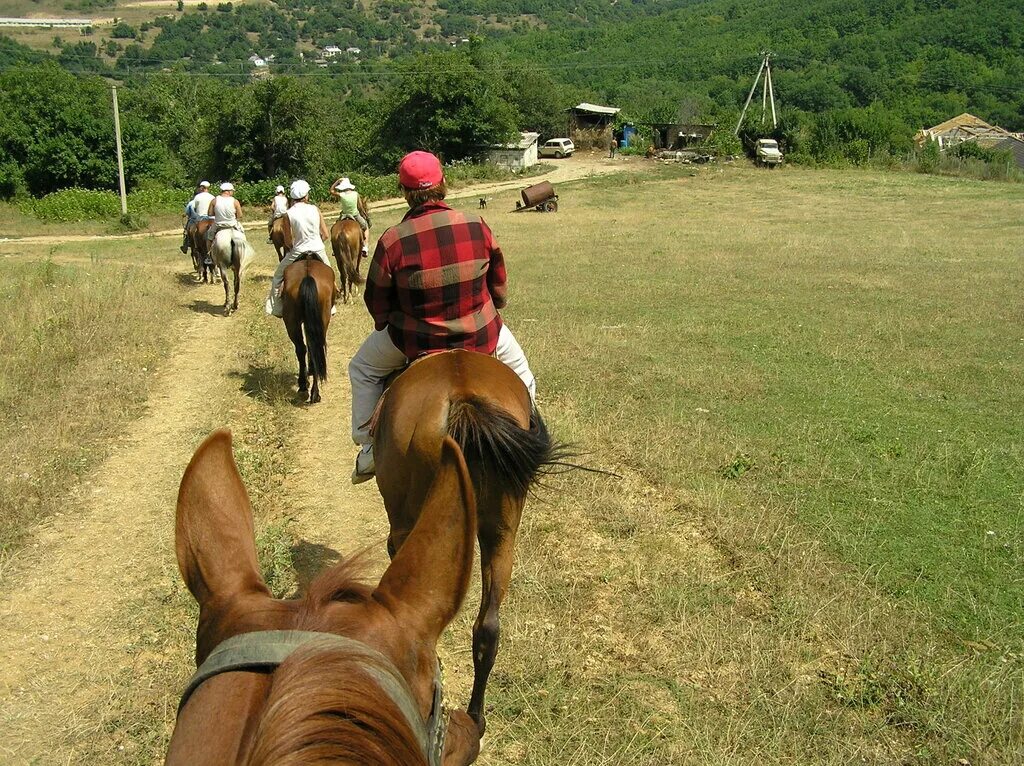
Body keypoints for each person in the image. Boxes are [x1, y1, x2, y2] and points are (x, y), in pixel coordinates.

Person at [348, 150, 536, 484]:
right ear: (443, 184)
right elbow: (500, 287)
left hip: (415, 342)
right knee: (524, 376)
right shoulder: (477, 224)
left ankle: (368, 449)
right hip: (481, 334)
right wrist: (491, 306)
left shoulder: (393, 239)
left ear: (405, 192)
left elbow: (376, 304)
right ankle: (529, 431)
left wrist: (389, 319)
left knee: (361, 368)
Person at [265, 179, 335, 318]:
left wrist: (293, 246)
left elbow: (288, 241)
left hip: (298, 250)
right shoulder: (315, 209)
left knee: (278, 276)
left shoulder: (288, 214)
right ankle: (332, 306)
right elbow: (326, 235)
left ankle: (277, 307)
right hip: (318, 249)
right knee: (331, 275)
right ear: (306, 195)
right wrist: (316, 242)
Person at [330, 176, 370, 258]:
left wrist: (336, 182)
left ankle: (334, 249)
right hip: (355, 215)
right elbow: (360, 205)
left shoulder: (341, 195)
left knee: (333, 229)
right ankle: (365, 246)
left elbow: (331, 190)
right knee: (365, 227)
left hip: (343, 215)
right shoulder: (356, 194)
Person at [181, 180, 214, 254]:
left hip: (200, 218)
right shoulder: (212, 197)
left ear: (201, 188)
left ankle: (188, 244)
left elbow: (195, 208)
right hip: (211, 218)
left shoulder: (197, 197)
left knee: (188, 230)